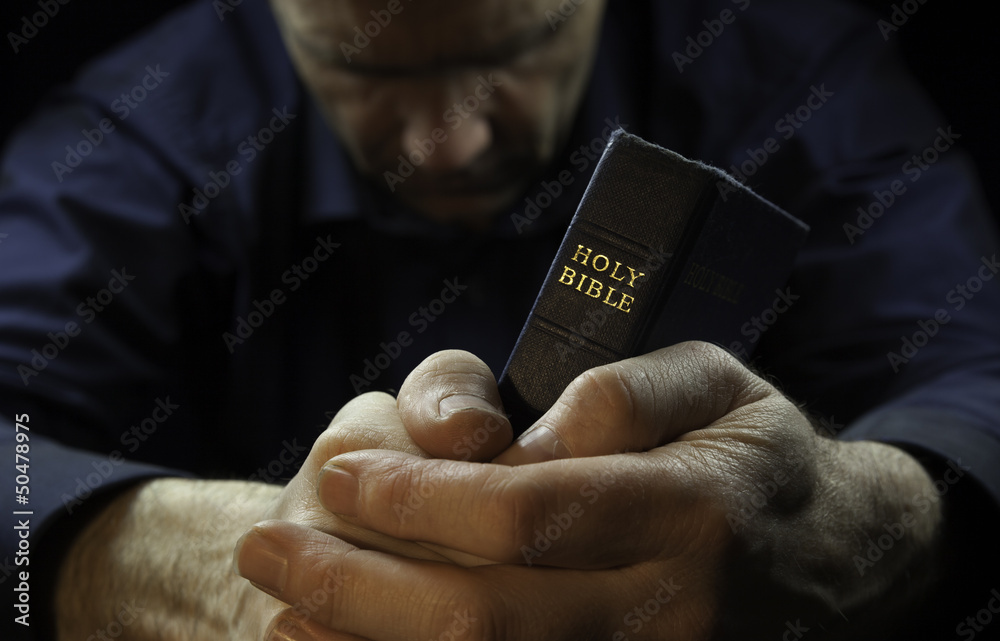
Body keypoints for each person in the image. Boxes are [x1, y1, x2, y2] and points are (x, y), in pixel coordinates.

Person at [1, 0, 998, 639]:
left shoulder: (790, 69)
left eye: (516, 52)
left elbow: (975, 370)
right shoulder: (140, 130)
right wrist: (222, 569)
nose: (451, 141)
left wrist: (861, 526)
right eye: (372, 72)